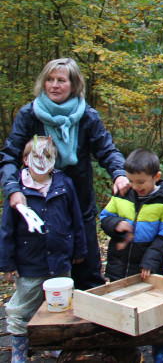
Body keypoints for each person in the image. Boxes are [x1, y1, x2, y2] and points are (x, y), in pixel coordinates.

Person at [0, 58, 129, 290]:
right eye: (49, 80)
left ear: (74, 85)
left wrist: (119, 173)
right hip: (38, 208)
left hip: (79, 205)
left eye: (61, 80)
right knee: (44, 283)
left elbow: (107, 150)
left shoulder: (87, 116)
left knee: (88, 277)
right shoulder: (29, 114)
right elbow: (9, 156)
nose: (54, 85)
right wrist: (12, 189)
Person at [0, 136, 87, 363]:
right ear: (25, 159)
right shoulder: (17, 189)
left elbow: (76, 219)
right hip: (30, 262)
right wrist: (7, 263)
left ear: (55, 160)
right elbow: (7, 228)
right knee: (22, 309)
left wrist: (79, 249)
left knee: (58, 306)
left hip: (59, 260)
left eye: (47, 156)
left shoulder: (63, 183)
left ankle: (54, 345)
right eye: (36, 156)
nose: (42, 160)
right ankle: (20, 350)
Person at [100, 149, 163, 281]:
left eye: (140, 182)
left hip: (147, 268)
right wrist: (116, 224)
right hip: (118, 266)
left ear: (156, 177)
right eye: (130, 181)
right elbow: (105, 217)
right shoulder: (123, 194)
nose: (135, 186)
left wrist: (150, 262)